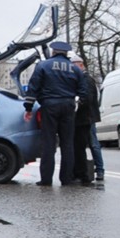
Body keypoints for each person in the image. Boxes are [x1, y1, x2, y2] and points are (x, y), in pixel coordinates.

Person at [23, 39, 86, 186]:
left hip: (49, 106)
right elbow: (83, 92)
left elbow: (33, 87)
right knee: (67, 144)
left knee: (49, 144)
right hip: (68, 106)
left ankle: (46, 179)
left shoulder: (43, 66)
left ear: (53, 51)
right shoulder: (75, 69)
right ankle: (66, 179)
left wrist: (28, 108)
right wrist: (76, 103)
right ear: (66, 53)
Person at [71, 55, 104, 183]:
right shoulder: (83, 78)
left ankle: (100, 170)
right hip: (87, 117)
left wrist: (77, 104)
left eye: (73, 65)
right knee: (89, 144)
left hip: (88, 117)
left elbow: (87, 99)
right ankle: (97, 169)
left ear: (80, 65)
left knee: (93, 144)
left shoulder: (86, 79)